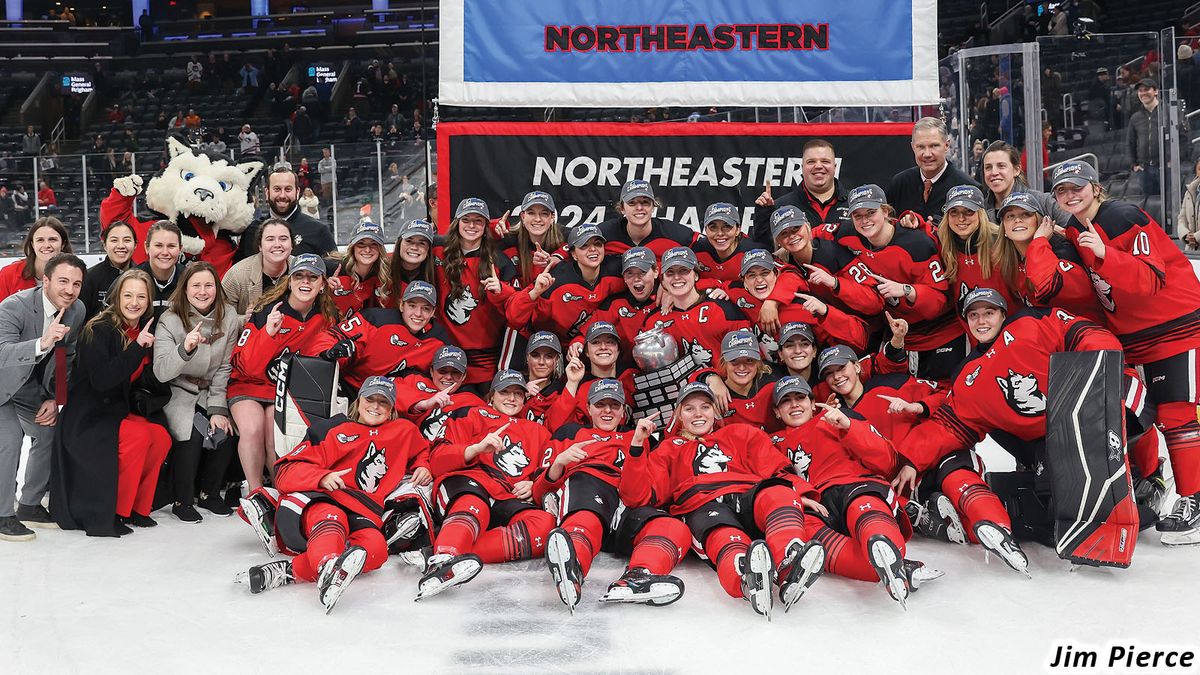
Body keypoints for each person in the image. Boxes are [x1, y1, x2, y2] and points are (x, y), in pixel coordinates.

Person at [895, 288, 1142, 569]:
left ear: (1002, 314)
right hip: (1048, 442)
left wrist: (1098, 366)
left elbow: (1081, 331)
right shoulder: (967, 375)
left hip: (1096, 409)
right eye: (973, 315)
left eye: (989, 312)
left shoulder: (1029, 322)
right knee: (1051, 510)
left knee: (1129, 406)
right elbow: (950, 425)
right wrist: (911, 460)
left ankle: (1145, 477)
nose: (981, 320)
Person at [1052, 161, 1200, 545]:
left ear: (1095, 188)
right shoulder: (1073, 227)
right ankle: (1152, 482)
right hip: (1133, 337)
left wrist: (1104, 254)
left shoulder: (1122, 216)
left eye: (1077, 188)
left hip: (1175, 327)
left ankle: (1194, 500)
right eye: (1062, 191)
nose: (1070, 196)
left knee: (1176, 414)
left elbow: (1151, 279)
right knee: (1136, 415)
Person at [619, 382, 826, 618]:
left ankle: (789, 563)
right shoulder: (669, 448)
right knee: (724, 535)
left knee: (778, 491)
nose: (698, 414)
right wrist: (636, 447)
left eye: (705, 407)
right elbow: (637, 496)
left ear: (715, 411)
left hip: (747, 496)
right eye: (689, 409)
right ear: (678, 414)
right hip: (701, 504)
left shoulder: (741, 433)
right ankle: (745, 581)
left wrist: (801, 492)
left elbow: (776, 468)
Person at [236, 376, 432, 614]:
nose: (376, 406)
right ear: (359, 401)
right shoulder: (332, 429)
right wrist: (321, 477)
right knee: (333, 518)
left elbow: (423, 451)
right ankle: (327, 565)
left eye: (384, 402)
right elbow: (286, 471)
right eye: (371, 399)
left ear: (392, 409)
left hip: (365, 509)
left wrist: (424, 465)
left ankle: (289, 571)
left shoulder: (404, 431)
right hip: (323, 500)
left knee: (377, 550)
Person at [769, 376, 942, 604]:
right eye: (786, 401)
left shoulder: (837, 419)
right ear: (777, 412)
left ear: (813, 403)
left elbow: (887, 462)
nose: (794, 405)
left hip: (855, 485)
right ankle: (892, 567)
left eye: (800, 397)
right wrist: (799, 493)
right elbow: (770, 472)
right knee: (807, 531)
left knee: (862, 506)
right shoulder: (772, 441)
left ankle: (883, 544)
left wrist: (849, 427)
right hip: (817, 500)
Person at [535, 380, 692, 609]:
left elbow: (640, 493)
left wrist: (638, 443)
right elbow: (539, 490)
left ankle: (637, 577)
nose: (607, 411)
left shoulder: (640, 435)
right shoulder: (570, 432)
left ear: (623, 412)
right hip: (588, 488)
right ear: (588, 408)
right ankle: (572, 567)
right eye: (601, 404)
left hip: (624, 501)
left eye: (614, 405)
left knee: (674, 527)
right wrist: (560, 461)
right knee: (587, 502)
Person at [415, 370, 557, 600]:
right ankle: (441, 561)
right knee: (474, 504)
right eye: (505, 392)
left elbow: (545, 472)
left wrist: (533, 485)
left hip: (505, 495)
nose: (511, 398)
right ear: (491, 396)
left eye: (518, 394)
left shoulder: (539, 432)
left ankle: (447, 551)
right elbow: (438, 459)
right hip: (466, 483)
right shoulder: (470, 414)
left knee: (544, 523)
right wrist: (476, 449)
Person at [51, 269, 172, 537]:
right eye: (128, 295)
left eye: (141, 296)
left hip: (114, 411)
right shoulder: (99, 328)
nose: (135, 302)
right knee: (139, 436)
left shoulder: (141, 328)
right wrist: (137, 348)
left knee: (160, 436)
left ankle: (138, 509)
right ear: (116, 297)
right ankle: (116, 510)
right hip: (87, 417)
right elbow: (103, 380)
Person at [228, 254, 339, 492]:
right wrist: (268, 333)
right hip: (248, 384)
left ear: (322, 284)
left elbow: (320, 352)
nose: (305, 282)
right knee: (252, 428)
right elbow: (245, 365)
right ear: (289, 281)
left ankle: (283, 490)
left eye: (312, 277)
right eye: (299, 276)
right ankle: (255, 492)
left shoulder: (326, 317)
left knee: (275, 432)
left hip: (282, 389)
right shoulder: (267, 312)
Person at [0, 254, 86, 541]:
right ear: (45, 280)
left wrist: (54, 397)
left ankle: (29, 505)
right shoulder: (14, 307)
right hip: (1, 384)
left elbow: (67, 356)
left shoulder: (76, 310)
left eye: (76, 284)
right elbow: (1, 354)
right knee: (10, 438)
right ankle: (2, 515)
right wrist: (42, 342)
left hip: (28, 387)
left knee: (49, 430)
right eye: (63, 281)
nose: (69, 290)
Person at [836, 184, 961, 381]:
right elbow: (816, 233)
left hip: (942, 333)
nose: (864, 220)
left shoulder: (916, 244)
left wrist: (907, 290)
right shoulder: (848, 235)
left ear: (885, 211)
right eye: (857, 216)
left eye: (871, 212)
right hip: (901, 336)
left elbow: (939, 300)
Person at [152, 262, 241, 522]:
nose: (203, 292)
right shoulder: (170, 319)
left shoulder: (229, 316)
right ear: (186, 289)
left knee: (224, 432)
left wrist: (217, 408)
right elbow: (161, 371)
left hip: (210, 389)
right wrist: (185, 348)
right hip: (178, 390)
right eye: (196, 286)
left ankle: (209, 494)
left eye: (208, 285)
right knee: (189, 435)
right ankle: (182, 499)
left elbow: (224, 366)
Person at [435, 198, 519, 389]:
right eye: (466, 220)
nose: (471, 225)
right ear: (457, 223)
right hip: (447, 361)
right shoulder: (438, 251)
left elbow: (518, 309)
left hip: (486, 364)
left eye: (478, 221)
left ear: (485, 226)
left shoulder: (499, 261)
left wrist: (502, 292)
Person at [995, 192, 1100, 320]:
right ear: (1004, 229)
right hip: (1045, 330)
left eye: (1026, 214)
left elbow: (1048, 288)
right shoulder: (1007, 258)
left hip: (1083, 330)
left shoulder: (1063, 251)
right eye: (1010, 216)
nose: (1017, 220)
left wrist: (1039, 240)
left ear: (1040, 222)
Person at [508, 224, 624, 341]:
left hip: (590, 343)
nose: (593, 249)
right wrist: (534, 292)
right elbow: (514, 317)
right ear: (573, 254)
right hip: (549, 344)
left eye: (598, 244)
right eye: (584, 245)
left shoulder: (617, 271)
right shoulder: (555, 278)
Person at [333, 281, 447, 390]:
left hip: (389, 400)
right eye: (412, 306)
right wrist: (327, 353)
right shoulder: (375, 319)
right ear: (402, 305)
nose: (418, 314)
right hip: (347, 386)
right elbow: (332, 336)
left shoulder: (439, 341)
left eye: (426, 309)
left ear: (433, 312)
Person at [751, 139, 851, 245]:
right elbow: (765, 248)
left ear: (835, 167)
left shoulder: (854, 203)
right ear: (802, 167)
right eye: (811, 162)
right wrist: (764, 215)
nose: (818, 166)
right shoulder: (781, 206)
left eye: (825, 161)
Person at [886, 117, 979, 223]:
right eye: (921, 147)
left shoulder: (968, 187)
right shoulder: (899, 184)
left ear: (947, 145)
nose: (927, 154)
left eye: (934, 146)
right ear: (913, 147)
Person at [933, 185, 1010, 311]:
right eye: (954, 212)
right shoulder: (942, 242)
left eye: (969, 211)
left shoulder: (1002, 240)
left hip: (1008, 323)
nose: (961, 218)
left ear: (981, 213)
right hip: (968, 325)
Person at [236, 167, 335, 261]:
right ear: (267, 192)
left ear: (297, 192)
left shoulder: (318, 231)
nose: (282, 195)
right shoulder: (251, 231)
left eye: (288, 189)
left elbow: (335, 269)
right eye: (277, 189)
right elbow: (240, 273)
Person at [978, 142, 1071, 228]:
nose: (994, 172)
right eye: (988, 167)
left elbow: (1074, 233)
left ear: (1017, 170)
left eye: (1001, 166)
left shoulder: (1043, 202)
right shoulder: (980, 212)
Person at [599, 180, 697, 258]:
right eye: (632, 203)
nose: (639, 208)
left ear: (653, 207)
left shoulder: (675, 234)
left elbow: (704, 246)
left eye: (645, 202)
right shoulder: (604, 234)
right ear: (622, 208)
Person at [222, 217, 293, 316]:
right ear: (260, 246)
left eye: (283, 239)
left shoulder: (303, 269)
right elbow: (221, 315)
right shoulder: (237, 275)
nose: (277, 244)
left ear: (291, 244)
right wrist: (243, 320)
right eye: (270, 239)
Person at [498, 191, 565, 288]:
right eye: (531, 213)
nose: (537, 219)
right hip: (521, 298)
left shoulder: (563, 235)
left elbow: (583, 242)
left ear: (552, 218)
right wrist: (492, 229)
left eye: (544, 213)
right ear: (523, 216)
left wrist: (555, 258)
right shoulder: (509, 237)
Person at [0, 217, 72, 302]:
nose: (46, 245)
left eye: (52, 239)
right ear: (33, 244)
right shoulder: (8, 274)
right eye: (40, 240)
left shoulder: (75, 275)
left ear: (63, 244)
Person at [328, 220, 390, 317]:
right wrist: (322, 285)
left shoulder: (385, 271)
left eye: (373, 244)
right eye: (361, 243)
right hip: (332, 328)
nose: (367, 250)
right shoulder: (332, 267)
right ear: (353, 247)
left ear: (380, 248)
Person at [80, 221, 136, 319]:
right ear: (105, 245)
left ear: (135, 245)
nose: (121, 246)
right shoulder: (89, 278)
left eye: (127, 240)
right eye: (114, 240)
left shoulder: (143, 276)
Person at [691, 202, 756, 283]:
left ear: (738, 230)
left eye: (727, 226)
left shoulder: (753, 253)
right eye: (713, 227)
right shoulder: (697, 250)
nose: (720, 233)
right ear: (705, 230)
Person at [135, 222, 185, 319]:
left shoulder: (189, 279)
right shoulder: (130, 280)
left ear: (180, 249)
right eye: (158, 245)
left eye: (171, 246)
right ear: (146, 247)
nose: (165, 252)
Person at [1127, 79, 1161, 197]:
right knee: (1149, 204)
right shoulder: (1135, 118)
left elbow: (1182, 138)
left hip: (1165, 167)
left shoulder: (1167, 111)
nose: (1143, 93)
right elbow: (1130, 142)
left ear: (1156, 91)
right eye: (1140, 91)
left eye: (1146, 89)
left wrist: (1172, 161)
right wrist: (1133, 165)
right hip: (1144, 170)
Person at [388, 218, 437, 301]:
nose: (414, 247)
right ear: (399, 244)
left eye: (422, 243)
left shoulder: (436, 275)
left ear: (428, 249)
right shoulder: (382, 270)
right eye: (409, 241)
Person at [1180, 157, 1200, 250]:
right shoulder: (1189, 191)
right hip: (1191, 248)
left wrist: (1196, 237)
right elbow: (1182, 218)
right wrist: (1186, 235)